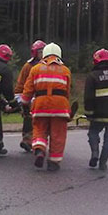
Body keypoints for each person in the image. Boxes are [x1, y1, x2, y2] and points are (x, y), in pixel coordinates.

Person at [20, 42, 71, 172]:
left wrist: (24, 103)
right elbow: (67, 92)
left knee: (39, 129)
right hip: (60, 106)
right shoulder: (65, 70)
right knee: (58, 134)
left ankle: (39, 150)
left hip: (40, 105)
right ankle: (53, 162)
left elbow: (27, 91)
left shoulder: (35, 69)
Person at [14, 40, 46, 152]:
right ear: (35, 53)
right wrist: (20, 98)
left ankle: (32, 140)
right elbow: (21, 84)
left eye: (43, 51)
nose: (42, 54)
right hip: (30, 96)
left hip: (40, 96)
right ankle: (29, 140)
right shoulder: (28, 66)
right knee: (29, 118)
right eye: (40, 51)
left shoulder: (47, 65)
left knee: (36, 119)